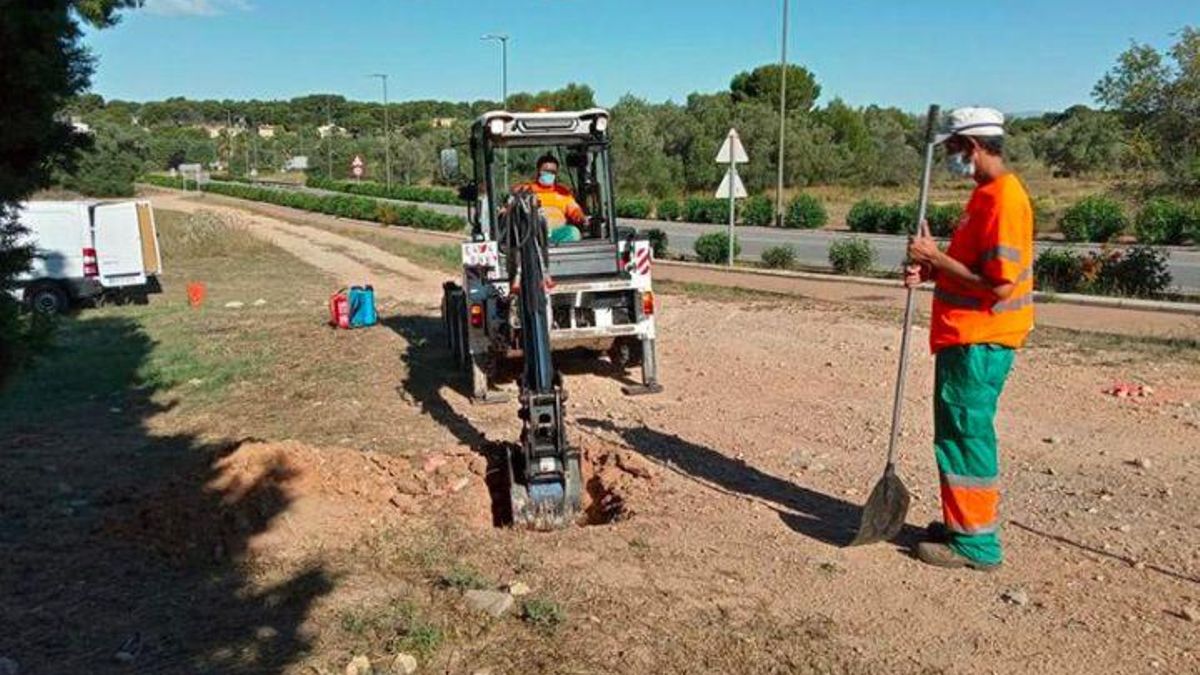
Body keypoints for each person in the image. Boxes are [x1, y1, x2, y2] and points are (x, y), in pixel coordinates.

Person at [904, 107, 1034, 571]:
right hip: (966, 336)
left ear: (973, 147)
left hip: (981, 339)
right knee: (956, 434)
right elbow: (970, 271)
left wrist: (935, 256)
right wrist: (932, 265)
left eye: (955, 150)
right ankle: (962, 524)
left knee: (966, 436)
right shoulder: (984, 196)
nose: (951, 160)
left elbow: (999, 285)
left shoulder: (1005, 200)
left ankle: (977, 545)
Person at [514, 154, 586, 244]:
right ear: (538, 171)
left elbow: (575, 210)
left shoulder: (562, 192)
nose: (549, 174)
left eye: (552, 172)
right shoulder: (526, 190)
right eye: (546, 171)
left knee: (574, 232)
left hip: (556, 233)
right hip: (533, 235)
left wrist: (583, 219)